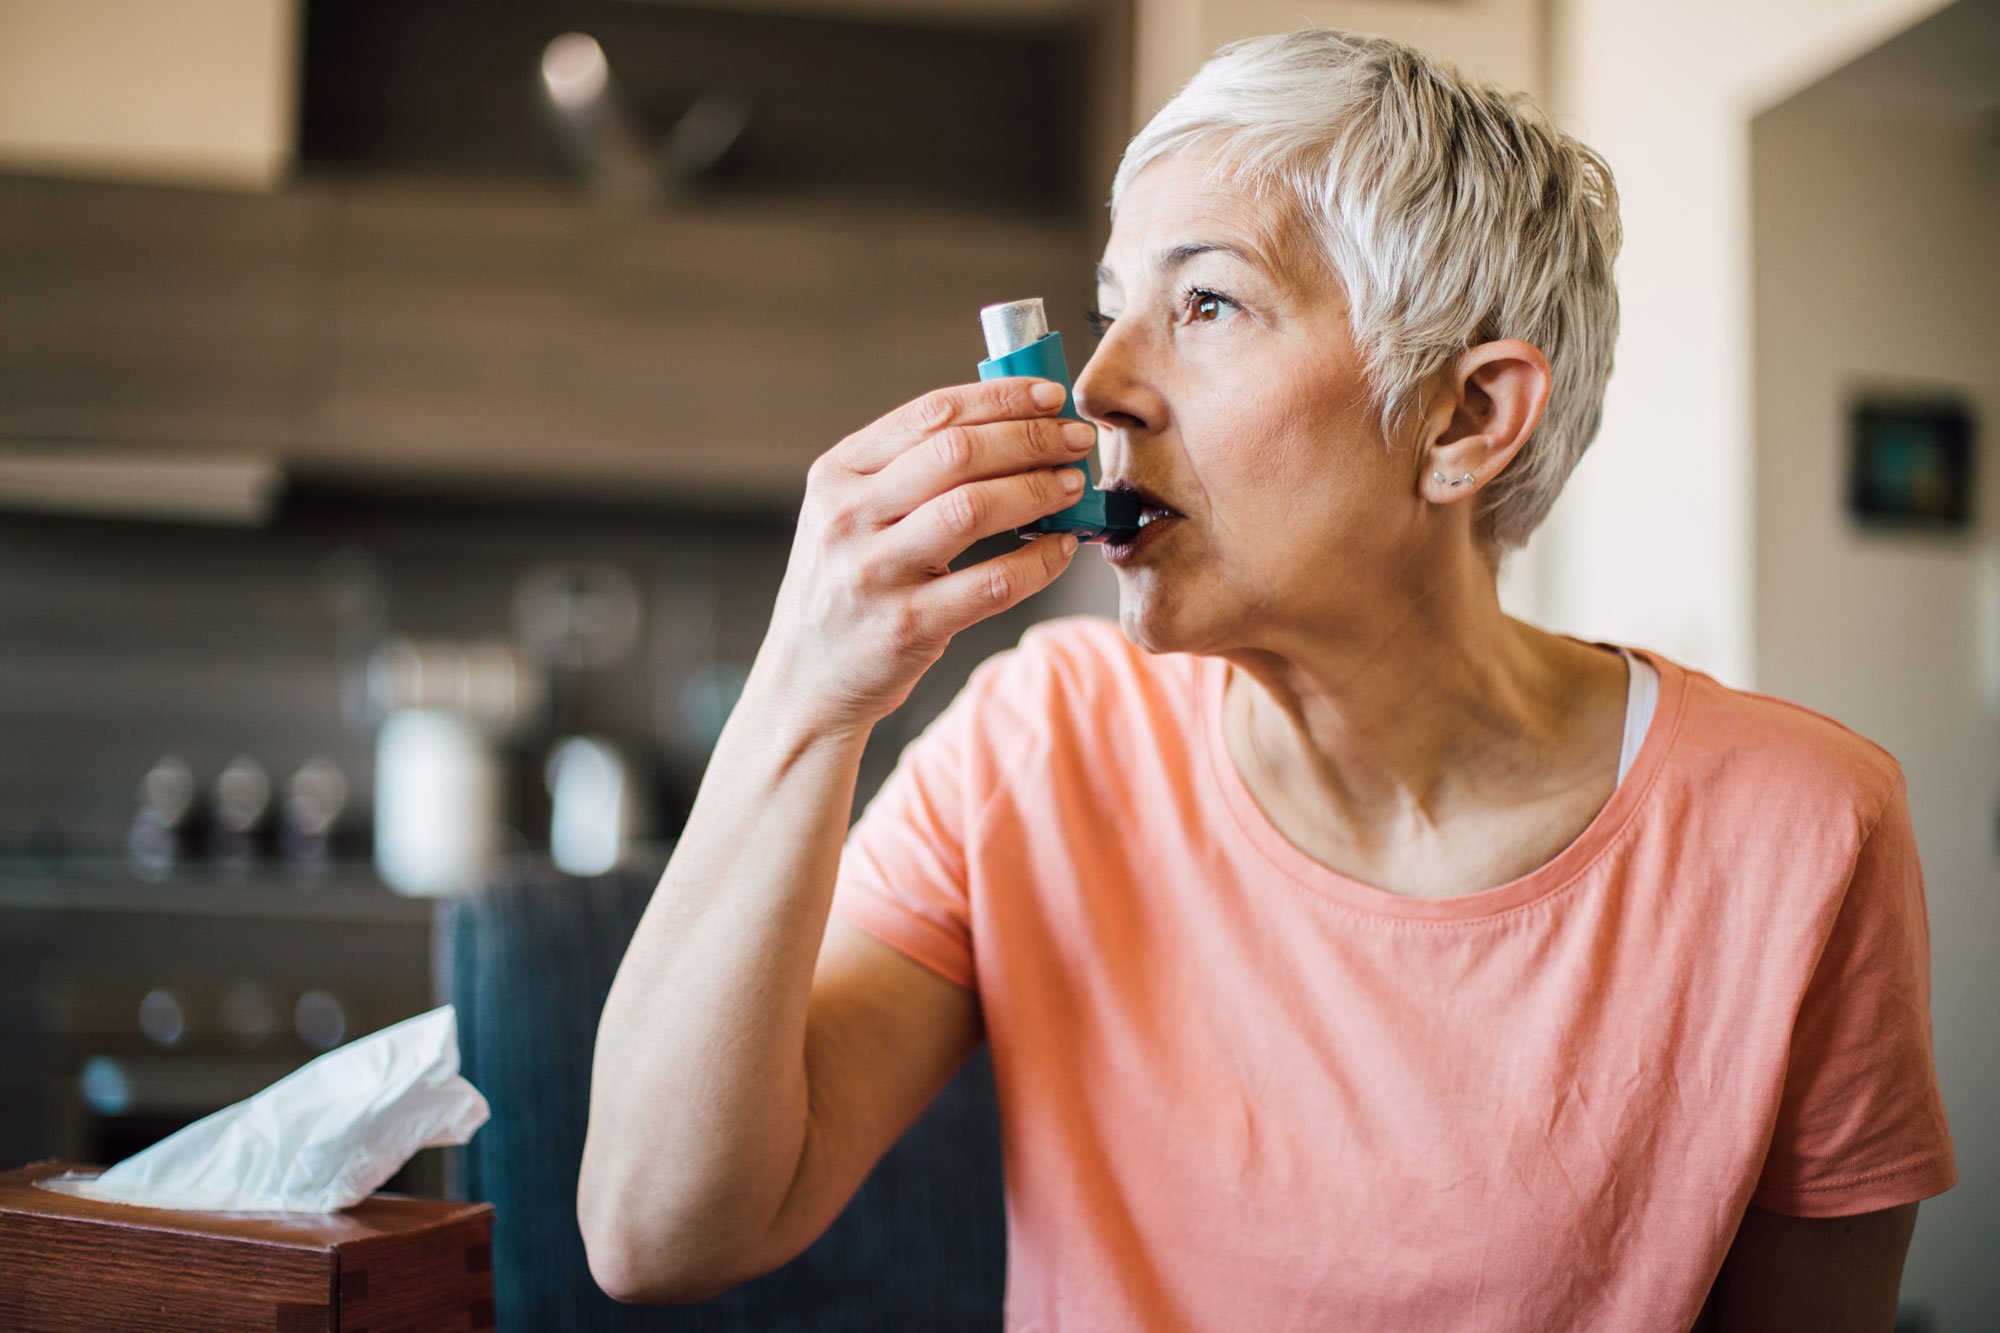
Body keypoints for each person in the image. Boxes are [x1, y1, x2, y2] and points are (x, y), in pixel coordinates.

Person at [578, 29, 1956, 1331]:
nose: (1100, 388)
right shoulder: (1037, 739)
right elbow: (659, 1230)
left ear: (1465, 417)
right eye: (1116, 309)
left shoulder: (1804, 827)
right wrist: (804, 693)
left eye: (1209, 301)